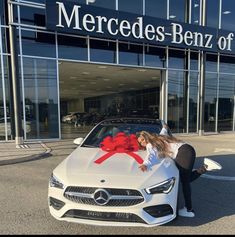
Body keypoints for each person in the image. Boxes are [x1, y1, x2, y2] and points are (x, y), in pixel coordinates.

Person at [136, 131, 222, 218]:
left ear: (147, 137)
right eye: (140, 142)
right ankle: (205, 167)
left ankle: (189, 209)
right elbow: (164, 131)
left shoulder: (150, 144)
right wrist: (165, 127)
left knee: (185, 182)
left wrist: (145, 164)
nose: (142, 142)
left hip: (183, 153)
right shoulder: (160, 137)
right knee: (186, 179)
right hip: (188, 149)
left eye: (143, 140)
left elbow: (151, 154)